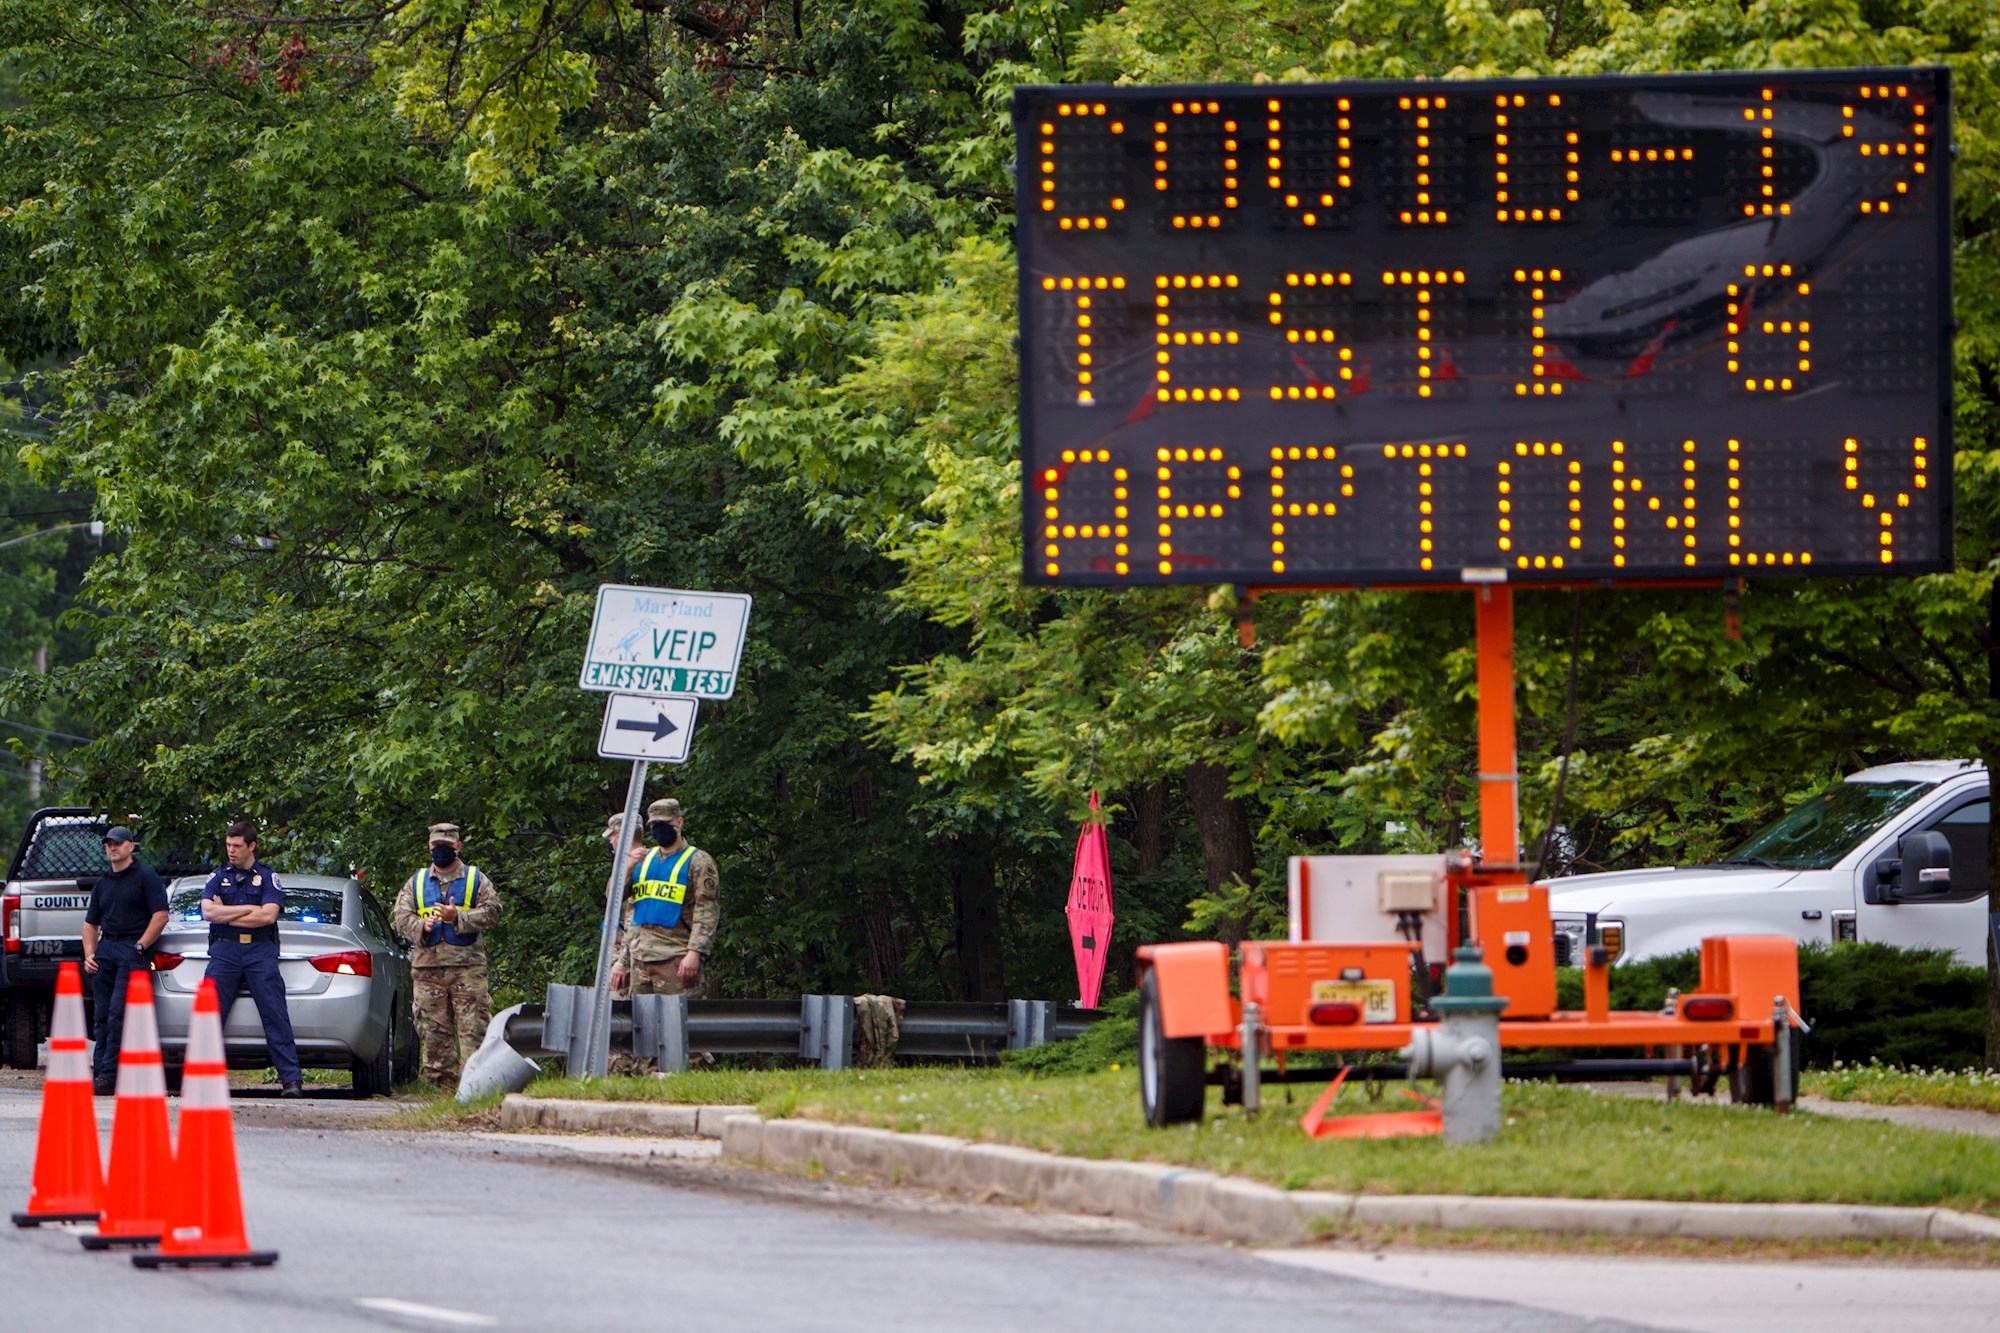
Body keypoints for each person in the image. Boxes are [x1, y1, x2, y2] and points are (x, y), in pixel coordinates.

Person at [392, 822, 502, 1091]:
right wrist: (421, 926)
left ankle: (475, 1091)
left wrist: (459, 917)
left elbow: (493, 912)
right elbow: (400, 918)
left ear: (458, 847)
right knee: (433, 1035)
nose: (441, 850)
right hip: (428, 971)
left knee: (473, 1032)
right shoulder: (416, 882)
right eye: (437, 846)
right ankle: (444, 1093)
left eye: (447, 846)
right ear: (430, 847)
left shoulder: (476, 879)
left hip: (468, 969)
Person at [200, 820, 304, 1097]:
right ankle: (202, 1077)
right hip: (225, 952)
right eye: (228, 846)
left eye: (237, 846)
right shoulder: (217, 876)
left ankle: (291, 1080)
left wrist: (229, 912)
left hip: (260, 952)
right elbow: (209, 913)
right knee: (209, 1016)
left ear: (251, 846)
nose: (231, 851)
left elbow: (268, 916)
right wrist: (248, 909)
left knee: (274, 1015)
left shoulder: (268, 877)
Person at [81, 826, 168, 1096]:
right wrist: (89, 955)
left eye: (118, 843)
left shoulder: (145, 877)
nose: (112, 848)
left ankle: (109, 1076)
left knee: (119, 1015)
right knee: (101, 1016)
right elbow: (89, 924)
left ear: (131, 846)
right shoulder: (103, 883)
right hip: (106, 951)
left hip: (132, 951)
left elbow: (161, 915)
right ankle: (100, 1073)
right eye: (109, 844)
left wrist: (141, 945)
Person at [609, 798, 719, 1002]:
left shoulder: (698, 861)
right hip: (640, 960)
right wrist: (628, 866)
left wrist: (695, 952)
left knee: (677, 1025)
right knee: (641, 1027)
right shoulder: (644, 859)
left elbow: (706, 912)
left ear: (679, 822)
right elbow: (616, 901)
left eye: (663, 824)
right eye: (654, 826)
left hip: (676, 958)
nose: (658, 830)